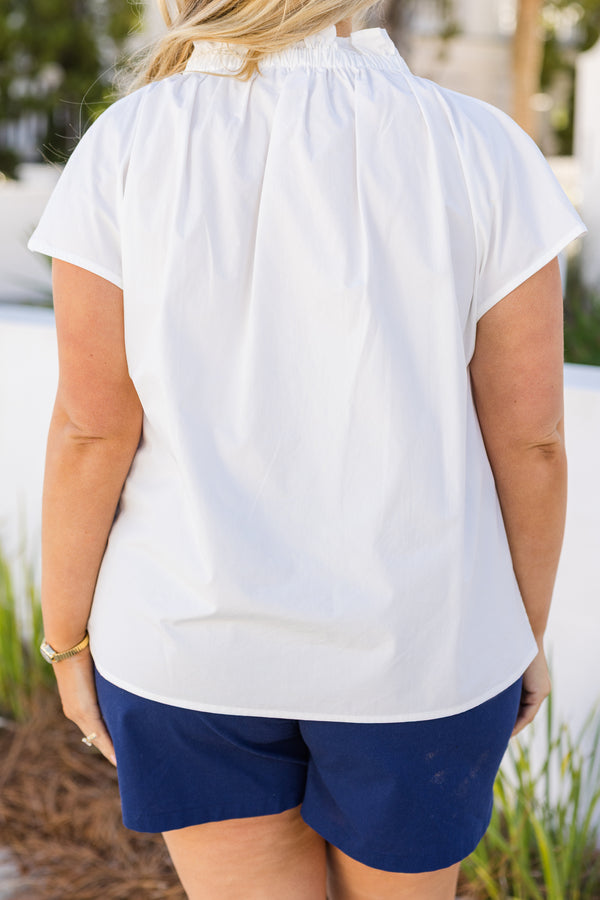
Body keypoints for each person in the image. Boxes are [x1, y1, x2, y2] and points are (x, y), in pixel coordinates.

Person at [28, 0, 586, 897]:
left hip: (187, 646)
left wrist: (66, 645)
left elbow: (92, 429)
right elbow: (534, 441)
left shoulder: (125, 147)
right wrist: (520, 631)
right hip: (423, 652)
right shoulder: (481, 147)